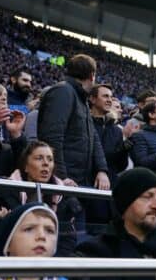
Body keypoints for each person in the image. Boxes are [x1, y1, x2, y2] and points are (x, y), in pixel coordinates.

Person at [0, 141, 81, 256]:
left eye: (50, 159)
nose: (46, 163)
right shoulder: (5, 192)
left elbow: (68, 241)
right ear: (25, 166)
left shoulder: (64, 198)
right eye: (39, 158)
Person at [38, 54, 109, 190]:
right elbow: (52, 137)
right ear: (91, 75)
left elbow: (93, 137)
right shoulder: (63, 92)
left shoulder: (81, 99)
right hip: (64, 182)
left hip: (79, 180)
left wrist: (102, 169)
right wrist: (61, 177)